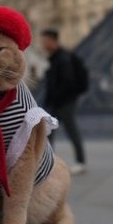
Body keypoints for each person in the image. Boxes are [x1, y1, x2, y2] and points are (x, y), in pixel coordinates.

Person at [40, 28, 87, 175]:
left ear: (52, 40)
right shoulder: (56, 57)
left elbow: (67, 82)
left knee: (70, 131)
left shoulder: (62, 58)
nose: (42, 43)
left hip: (64, 102)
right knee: (49, 132)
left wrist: (56, 98)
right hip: (58, 101)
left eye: (44, 40)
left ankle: (80, 162)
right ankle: (48, 162)